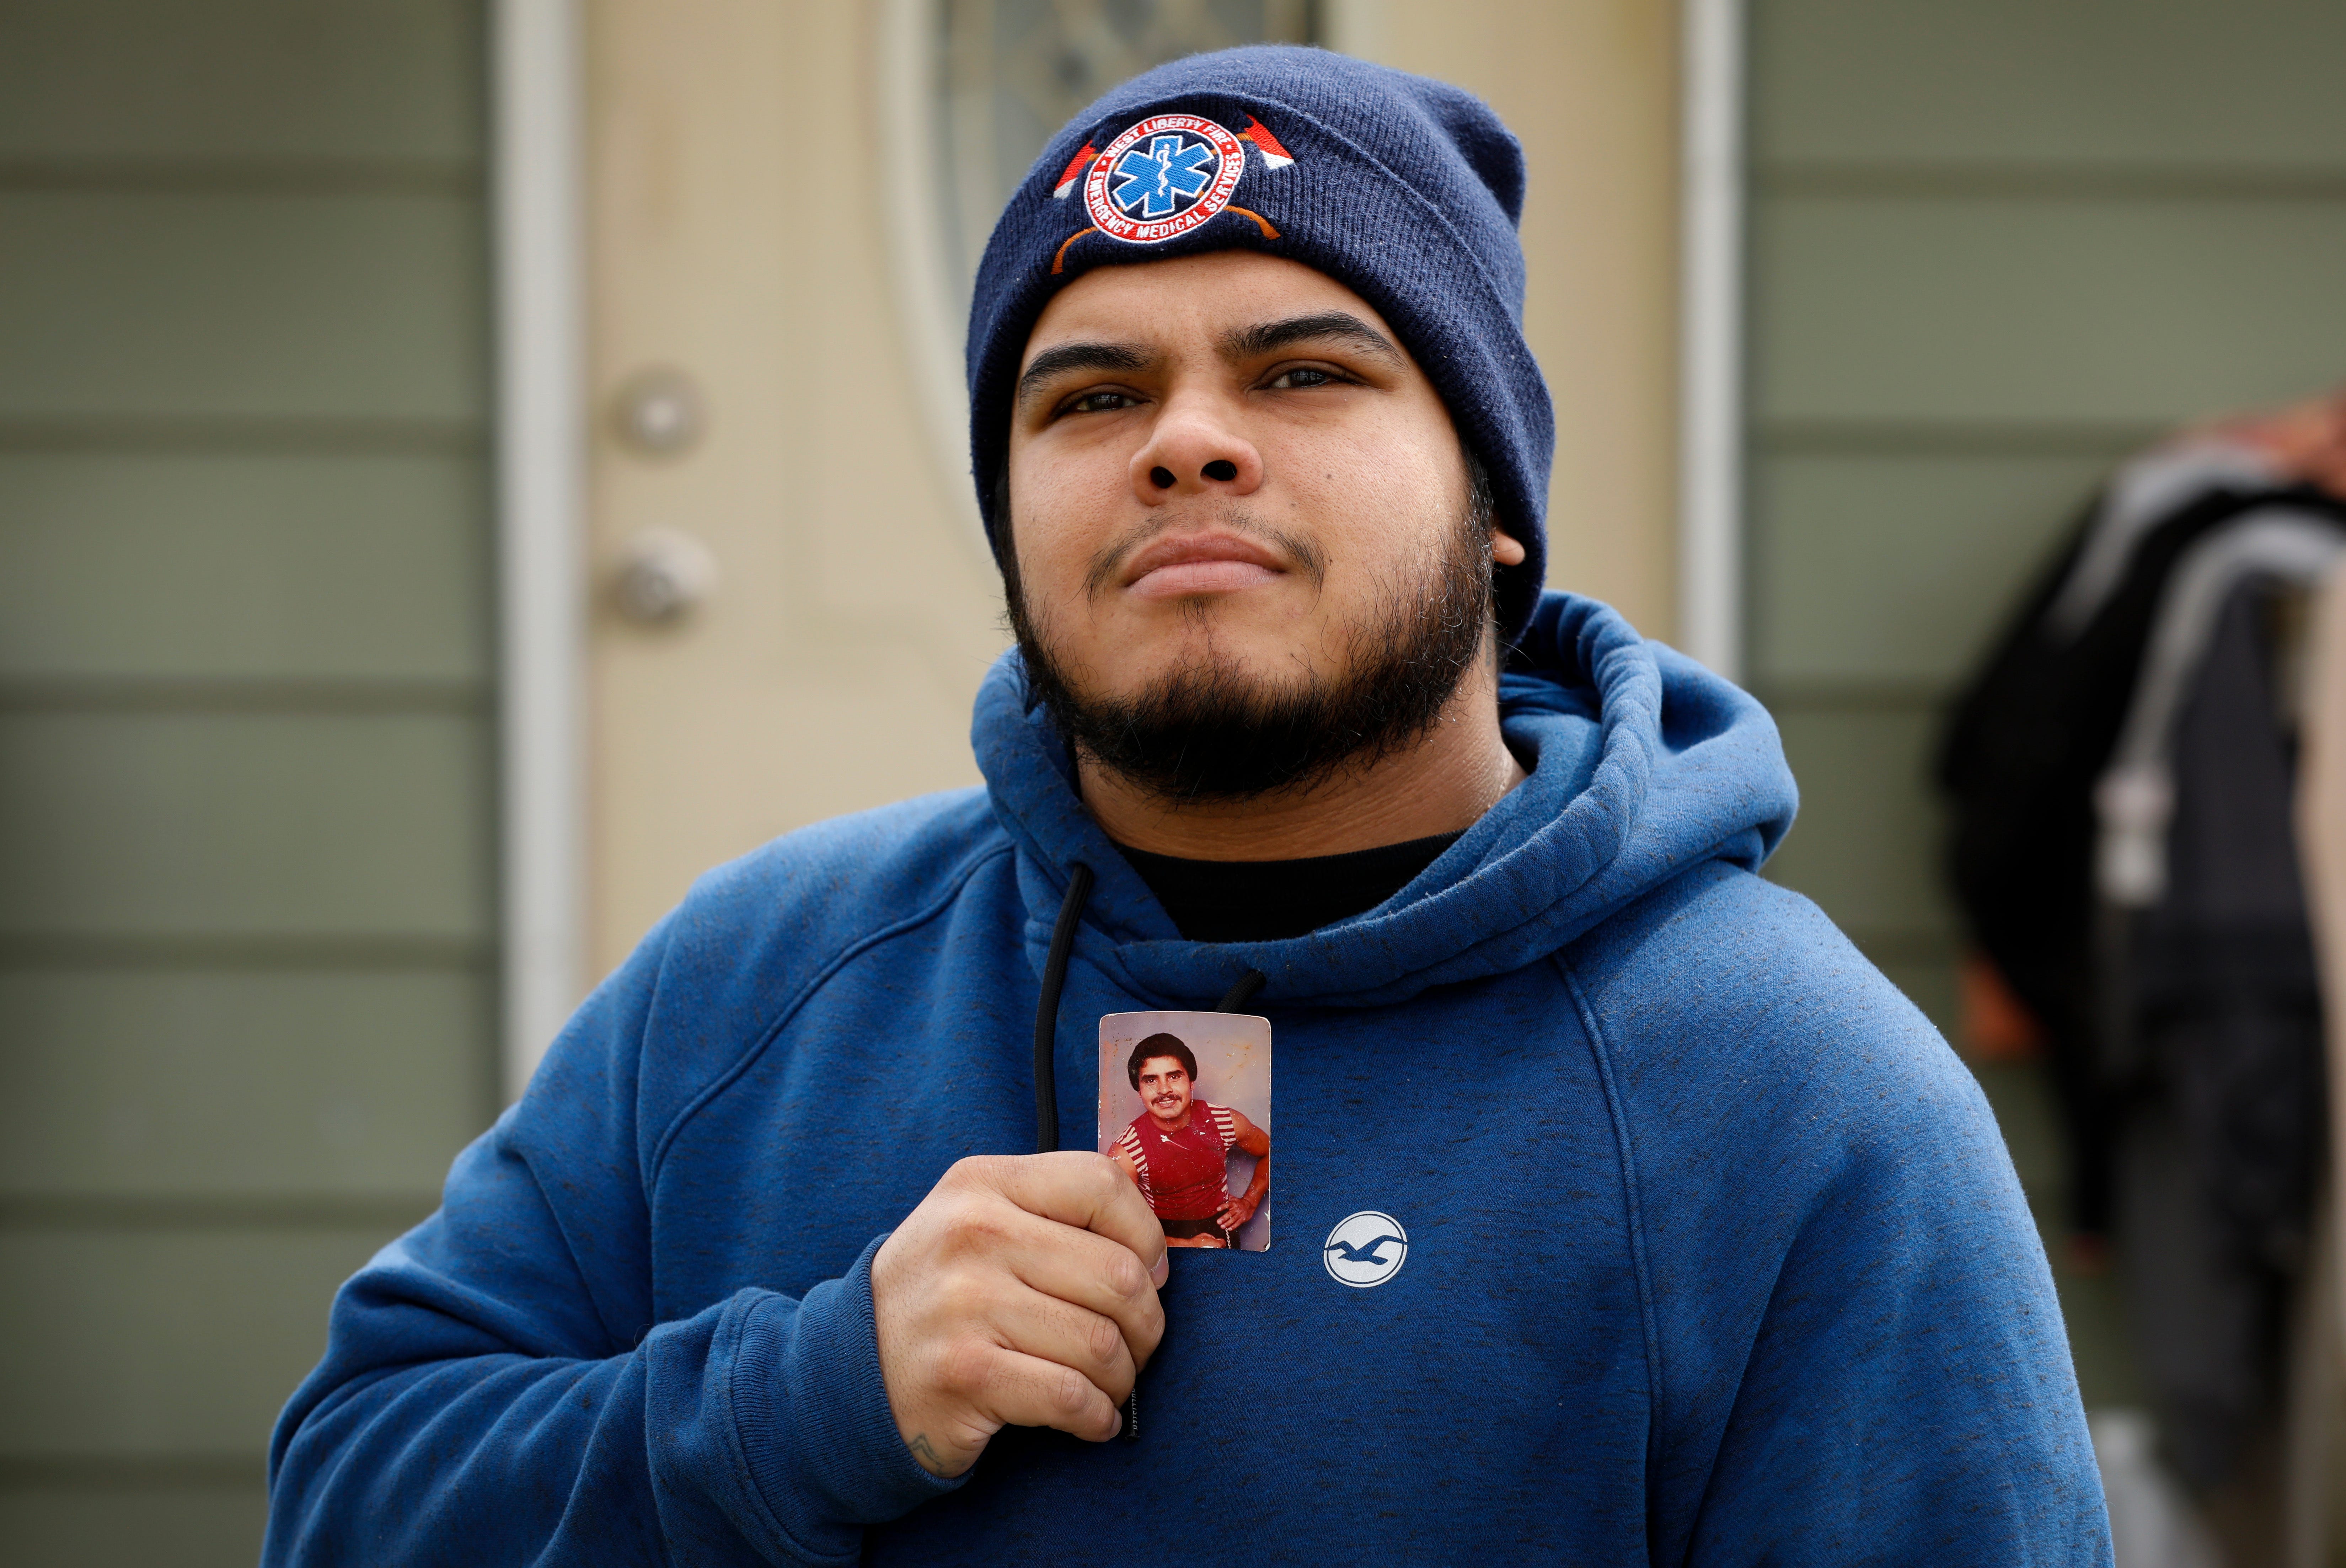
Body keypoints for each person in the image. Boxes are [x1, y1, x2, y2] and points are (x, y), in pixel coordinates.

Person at [264, 46, 2112, 1564]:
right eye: (1088, 397)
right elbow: (352, 1492)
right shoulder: (757, 983)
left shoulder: (1790, 1093)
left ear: (1495, 506)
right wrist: (804, 1399)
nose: (1183, 437)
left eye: (1304, 371)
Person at [1109, 1033, 1269, 1247]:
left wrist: (1249, 1203)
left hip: (1219, 1226)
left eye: (1174, 1077)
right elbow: (1119, 1229)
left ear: (1191, 1081)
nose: (1164, 1090)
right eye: (1151, 1080)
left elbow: (1272, 1151)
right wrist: (1191, 1246)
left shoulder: (1225, 1121)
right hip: (1158, 1235)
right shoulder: (1126, 1151)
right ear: (1139, 1090)